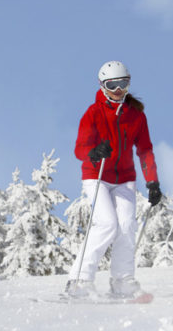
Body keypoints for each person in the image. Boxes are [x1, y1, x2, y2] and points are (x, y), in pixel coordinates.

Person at [65, 61, 162, 299]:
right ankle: (79, 280)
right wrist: (95, 152)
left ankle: (122, 281)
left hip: (125, 178)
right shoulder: (93, 112)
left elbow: (145, 150)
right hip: (96, 176)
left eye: (123, 84)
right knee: (107, 224)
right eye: (112, 85)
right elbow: (80, 148)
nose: (118, 90)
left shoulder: (136, 115)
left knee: (127, 226)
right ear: (102, 85)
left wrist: (152, 182)